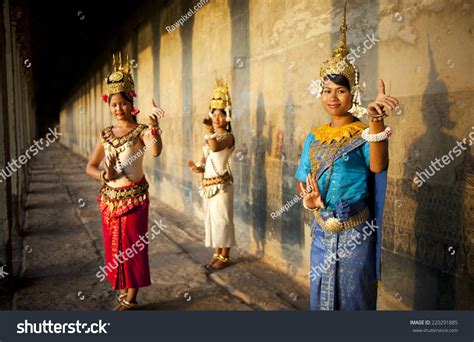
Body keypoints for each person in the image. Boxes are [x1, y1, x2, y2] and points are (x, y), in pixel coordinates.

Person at [295, 4, 399, 310]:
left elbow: (378, 166)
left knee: (353, 298)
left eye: (340, 91)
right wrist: (309, 201)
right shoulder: (314, 136)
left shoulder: (364, 131)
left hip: (356, 230)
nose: (332, 97)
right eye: (327, 90)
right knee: (321, 297)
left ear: (352, 94)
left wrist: (376, 120)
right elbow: (303, 179)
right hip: (321, 228)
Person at [85, 53, 165, 310]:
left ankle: (131, 299)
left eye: (123, 103)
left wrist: (154, 127)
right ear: (109, 105)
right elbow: (90, 167)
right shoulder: (106, 135)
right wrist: (104, 176)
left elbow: (155, 152)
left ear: (132, 103)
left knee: (132, 249)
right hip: (109, 200)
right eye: (114, 104)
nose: (118, 108)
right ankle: (123, 293)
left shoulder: (140, 131)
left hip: (135, 200)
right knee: (115, 248)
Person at [188, 80, 236, 273]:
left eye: (220, 115)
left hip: (223, 186)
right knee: (213, 221)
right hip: (209, 186)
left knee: (223, 220)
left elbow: (215, 147)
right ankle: (217, 254)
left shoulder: (227, 137)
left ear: (227, 118)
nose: (216, 119)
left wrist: (209, 131)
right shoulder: (211, 137)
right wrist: (197, 168)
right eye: (214, 114)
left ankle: (225, 255)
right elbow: (206, 158)